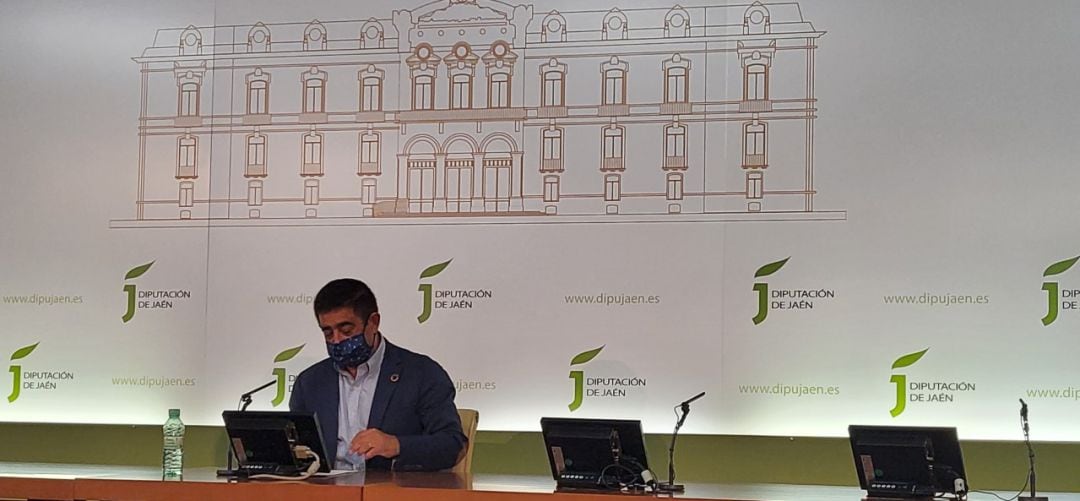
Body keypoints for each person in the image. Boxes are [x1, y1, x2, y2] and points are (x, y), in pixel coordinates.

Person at [290, 278, 466, 471]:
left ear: (373, 323)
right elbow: (296, 451)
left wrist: (396, 445)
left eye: (346, 330)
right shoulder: (310, 382)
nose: (337, 340)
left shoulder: (421, 373)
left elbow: (452, 445)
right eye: (328, 333)